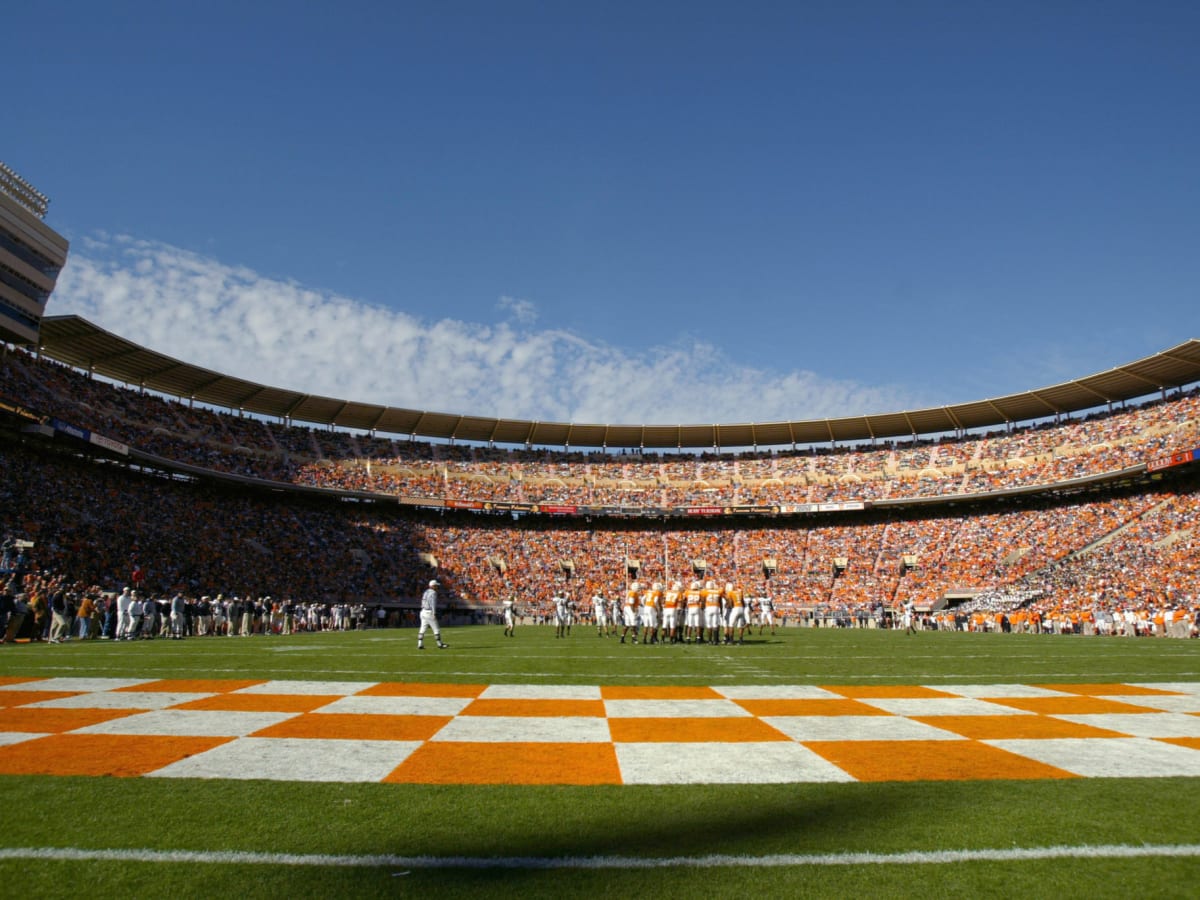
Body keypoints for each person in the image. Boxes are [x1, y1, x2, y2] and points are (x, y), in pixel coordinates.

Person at [417, 579, 448, 650]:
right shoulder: (433, 593)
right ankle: (440, 644)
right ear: (433, 586)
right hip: (429, 612)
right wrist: (434, 612)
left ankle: (420, 644)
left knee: (422, 628)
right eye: (436, 586)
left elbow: (423, 601)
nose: (437, 587)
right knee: (436, 629)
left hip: (423, 611)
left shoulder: (426, 591)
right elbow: (433, 603)